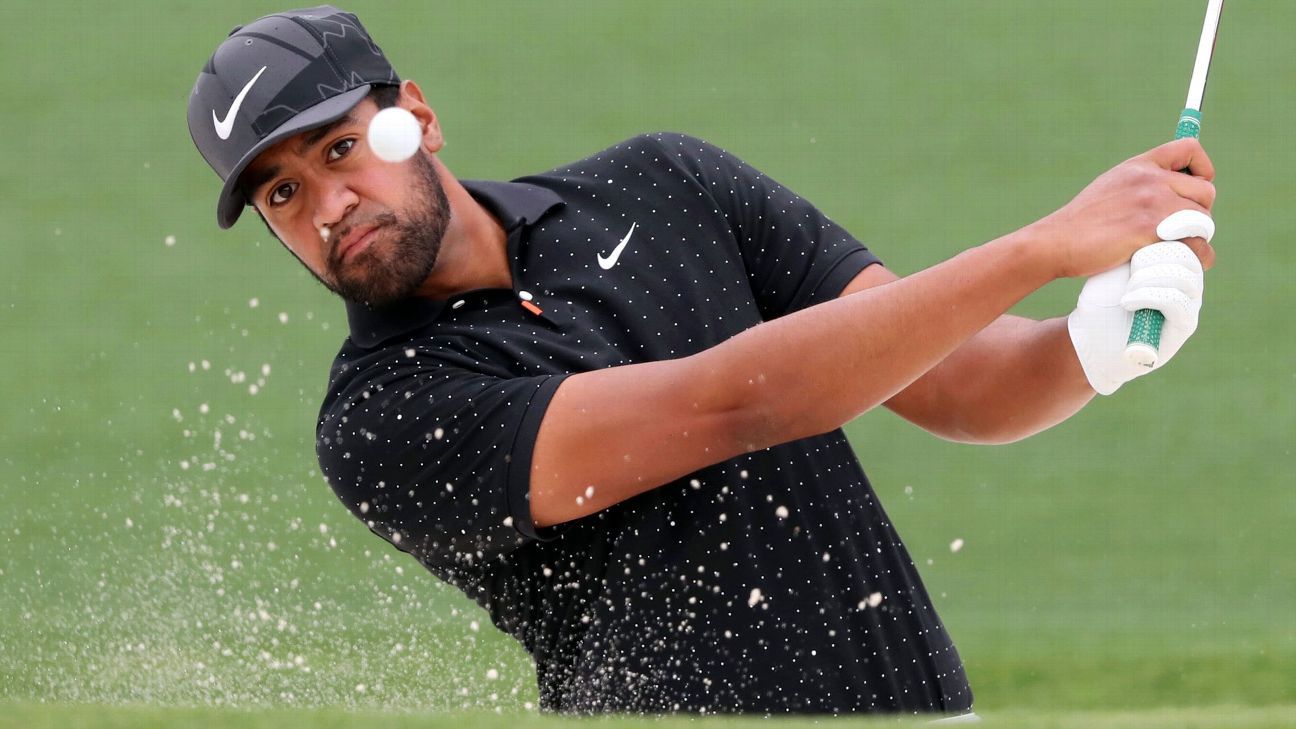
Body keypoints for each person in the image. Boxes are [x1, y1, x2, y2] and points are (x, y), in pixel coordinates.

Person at [187, 6, 1216, 717]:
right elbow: (734, 404)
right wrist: (1044, 246)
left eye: (337, 149)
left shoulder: (665, 183)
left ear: (417, 115)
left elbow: (965, 386)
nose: (328, 207)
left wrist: (1090, 346)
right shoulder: (384, 420)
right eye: (281, 194)